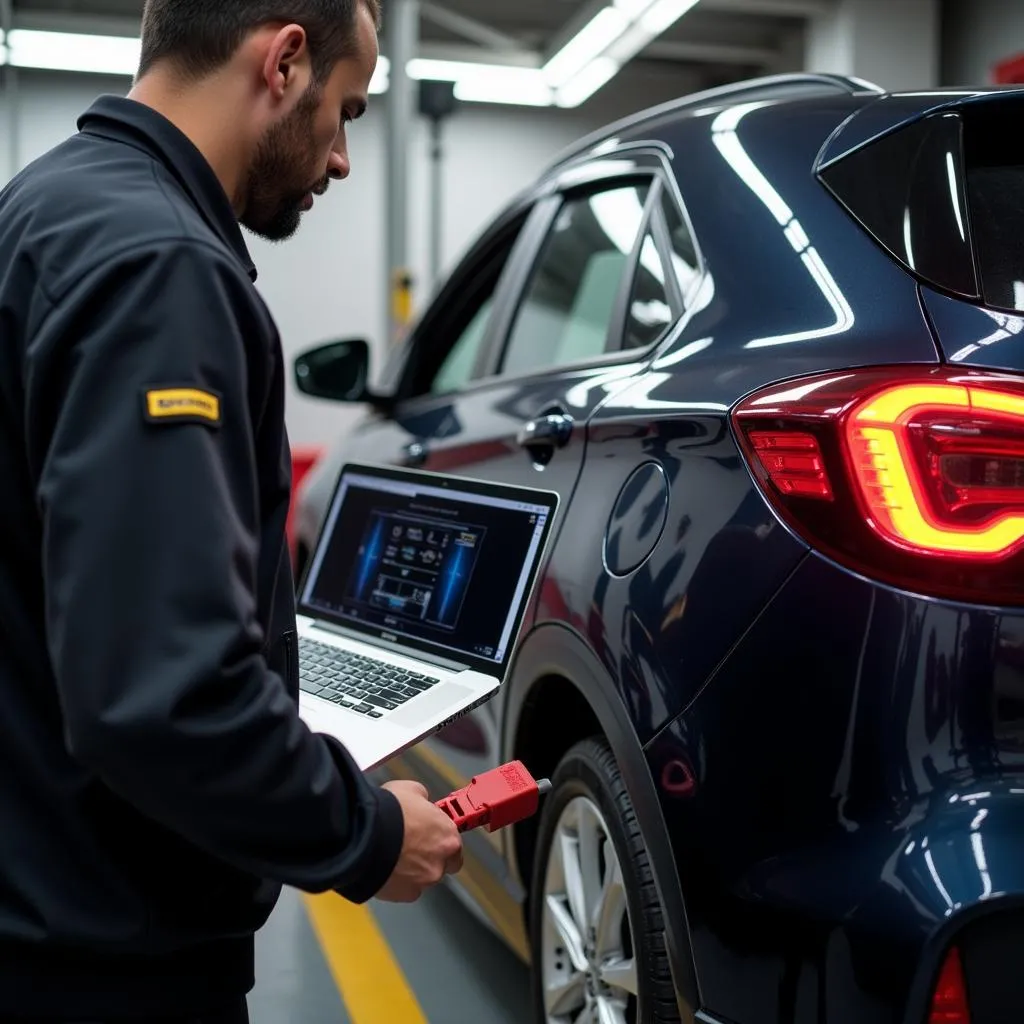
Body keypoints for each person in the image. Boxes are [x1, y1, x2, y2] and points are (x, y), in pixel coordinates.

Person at [0, 1, 463, 1021]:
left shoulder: (43, 208)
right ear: (285, 60)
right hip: (106, 954)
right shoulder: (161, 269)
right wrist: (371, 831)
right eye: (344, 112)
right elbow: (163, 696)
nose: (340, 158)